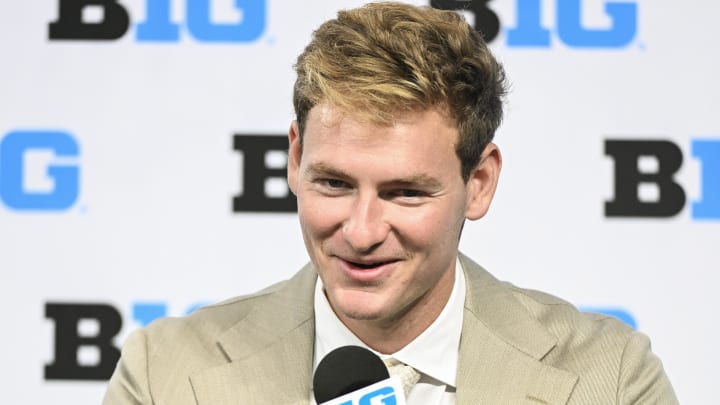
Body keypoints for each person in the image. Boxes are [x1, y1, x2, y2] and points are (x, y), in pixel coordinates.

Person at [102, 2, 677, 404]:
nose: (360, 230)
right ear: (295, 157)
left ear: (479, 182)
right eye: (334, 183)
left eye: (406, 193)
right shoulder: (165, 373)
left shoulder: (610, 378)